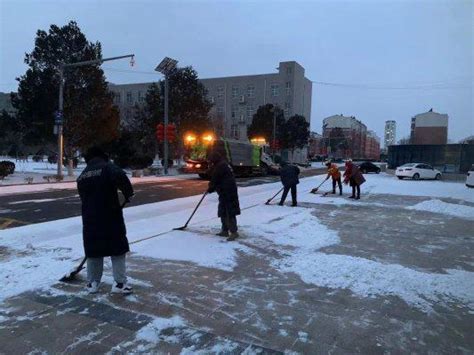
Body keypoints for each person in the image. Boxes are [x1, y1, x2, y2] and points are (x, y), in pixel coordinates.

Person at [77, 146, 134, 294]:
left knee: (94, 251)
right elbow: (122, 177)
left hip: (90, 219)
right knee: (117, 250)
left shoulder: (83, 175)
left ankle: (93, 284)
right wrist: (127, 195)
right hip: (110, 216)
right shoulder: (107, 167)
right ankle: (120, 284)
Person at [207, 151, 241, 241]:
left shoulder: (220, 166)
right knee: (223, 210)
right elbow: (214, 177)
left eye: (211, 160)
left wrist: (210, 188)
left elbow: (215, 179)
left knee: (230, 212)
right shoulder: (223, 164)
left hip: (228, 192)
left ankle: (234, 232)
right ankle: (225, 230)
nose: (210, 162)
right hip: (225, 191)